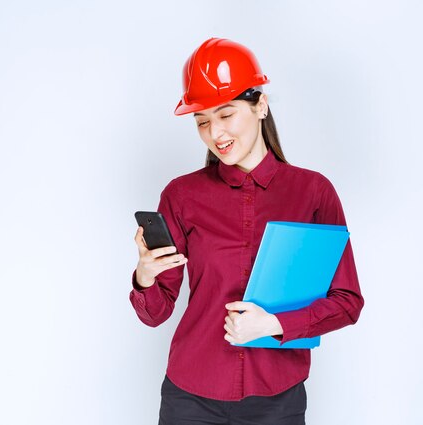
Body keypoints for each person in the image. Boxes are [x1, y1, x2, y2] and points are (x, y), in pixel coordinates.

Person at [130, 38, 364, 425]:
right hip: (190, 398)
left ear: (261, 105)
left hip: (278, 399)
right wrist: (145, 277)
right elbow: (156, 314)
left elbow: (347, 301)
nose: (214, 133)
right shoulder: (181, 195)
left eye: (226, 114)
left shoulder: (313, 192)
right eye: (202, 121)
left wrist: (274, 325)